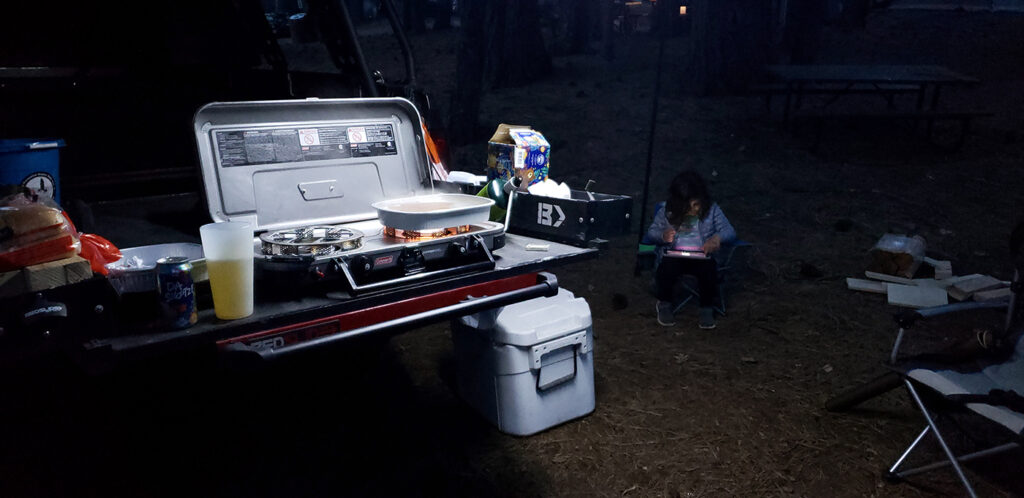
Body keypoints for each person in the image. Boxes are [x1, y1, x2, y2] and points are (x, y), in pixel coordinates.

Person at [646, 170, 736, 329]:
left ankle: (706, 307)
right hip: (675, 255)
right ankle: (664, 303)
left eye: (697, 204)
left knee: (708, 269)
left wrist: (716, 239)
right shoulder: (667, 211)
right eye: (689, 206)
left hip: (702, 255)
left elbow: (729, 231)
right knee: (667, 266)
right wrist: (663, 236)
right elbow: (651, 233)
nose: (694, 210)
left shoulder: (712, 210)